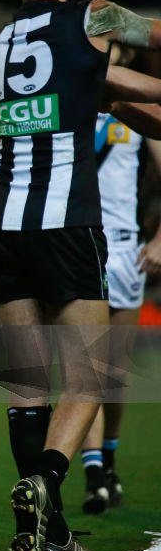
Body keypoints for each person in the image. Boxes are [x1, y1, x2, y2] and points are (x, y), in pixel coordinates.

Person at [0, 0, 161, 551]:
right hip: (67, 220)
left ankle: (51, 537)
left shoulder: (5, 39)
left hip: (0, 221)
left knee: (26, 390)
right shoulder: (97, 15)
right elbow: (154, 39)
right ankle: (49, 483)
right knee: (84, 383)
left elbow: (103, 91)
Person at [80, 78, 161, 515]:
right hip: (75, 246)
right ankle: (94, 475)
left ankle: (108, 457)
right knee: (83, 370)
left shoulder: (138, 112)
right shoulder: (66, 100)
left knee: (112, 375)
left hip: (125, 250)